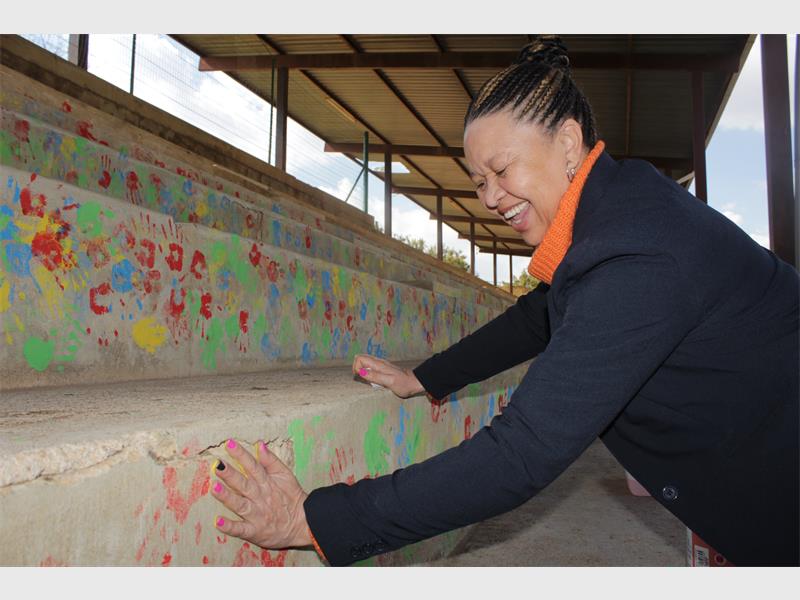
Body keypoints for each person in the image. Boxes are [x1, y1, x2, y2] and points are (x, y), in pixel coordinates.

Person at [209, 36, 799, 567]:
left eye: (501, 169)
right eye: (479, 181)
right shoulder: (616, 211)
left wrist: (313, 519)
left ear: (568, 143)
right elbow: (539, 316)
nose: (490, 197)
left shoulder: (634, 252)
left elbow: (523, 451)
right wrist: (425, 378)